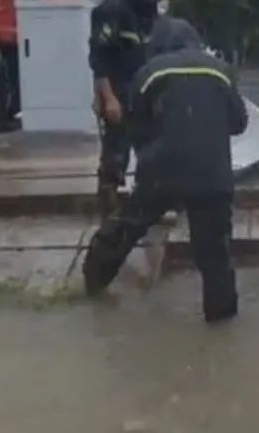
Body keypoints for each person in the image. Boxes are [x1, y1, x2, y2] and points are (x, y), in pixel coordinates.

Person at [82, 17, 248, 323]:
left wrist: (152, 154)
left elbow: (135, 124)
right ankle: (221, 323)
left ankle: (91, 286)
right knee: (215, 253)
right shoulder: (222, 71)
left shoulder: (149, 72)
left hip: (161, 170)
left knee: (126, 227)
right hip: (212, 174)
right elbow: (239, 124)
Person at [88, 0, 177, 215]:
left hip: (149, 92)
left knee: (153, 152)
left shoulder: (152, 14)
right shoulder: (111, 11)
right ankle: (110, 210)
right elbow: (99, 59)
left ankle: (150, 204)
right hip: (119, 90)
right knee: (115, 154)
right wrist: (107, 98)